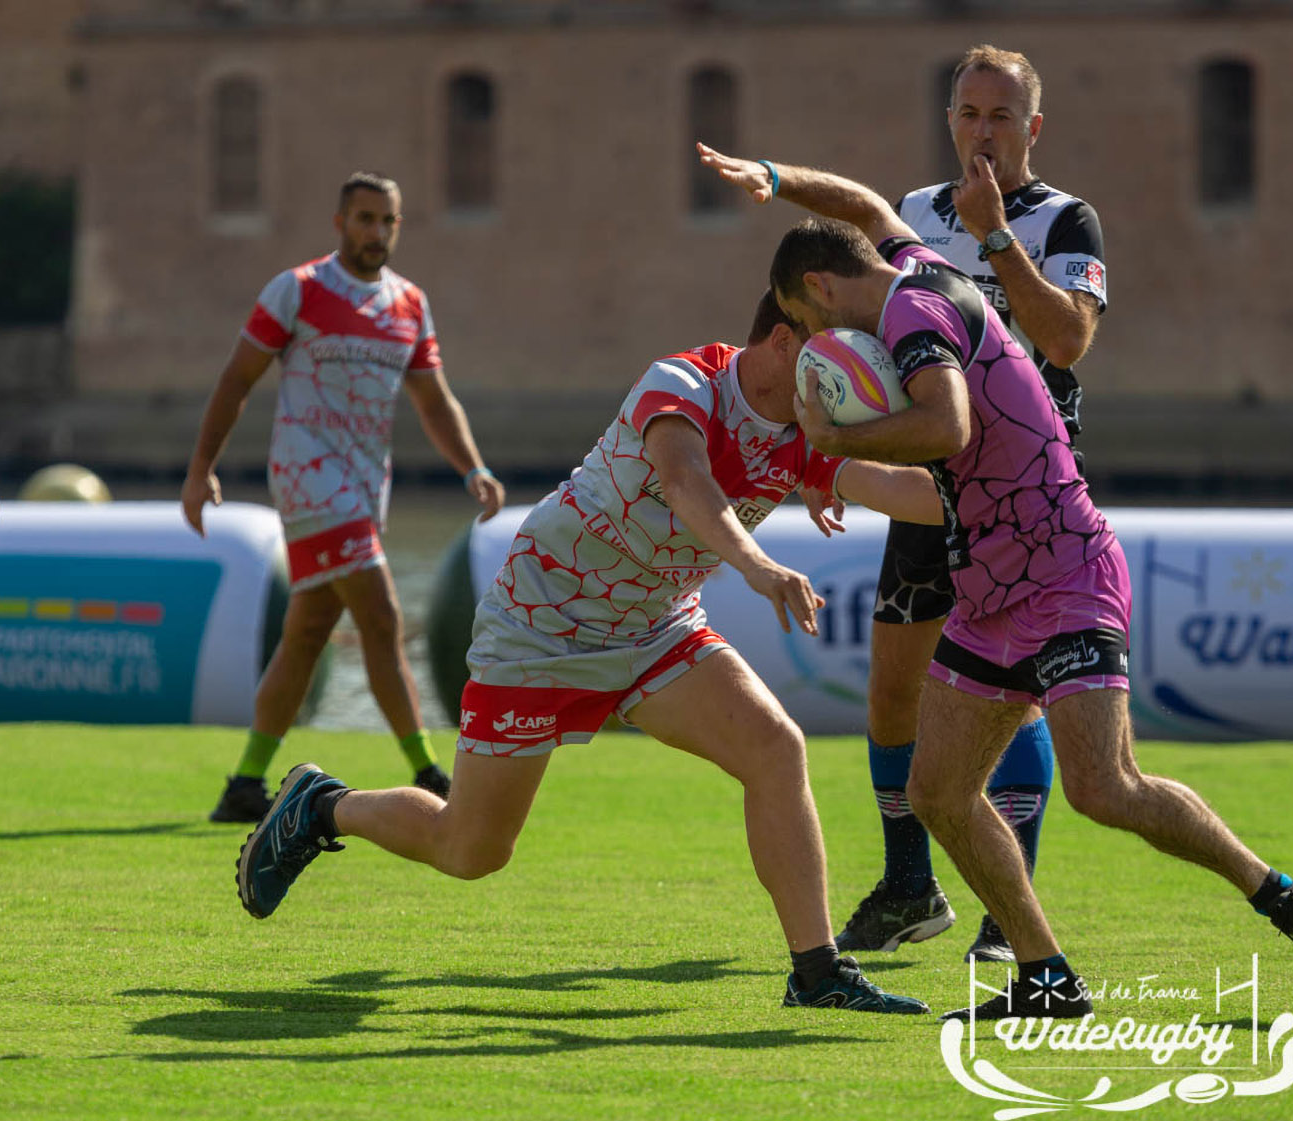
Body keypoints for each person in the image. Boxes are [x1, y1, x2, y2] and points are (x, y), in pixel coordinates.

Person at [696, 148, 1293, 1018]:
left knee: (1105, 786)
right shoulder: (910, 262)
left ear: (818, 290)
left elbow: (944, 423)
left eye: (800, 323)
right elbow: (858, 200)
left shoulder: (916, 315)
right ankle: (1045, 975)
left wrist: (835, 439)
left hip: (1065, 564)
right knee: (936, 790)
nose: (814, 346)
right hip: (993, 588)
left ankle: (1277, 892)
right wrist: (775, 181)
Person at [235, 291, 945, 1014]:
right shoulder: (686, 381)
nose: (846, 374)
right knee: (472, 849)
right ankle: (325, 807)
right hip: (543, 623)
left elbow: (889, 484)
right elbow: (684, 481)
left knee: (775, 747)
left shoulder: (809, 424)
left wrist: (1016, 494)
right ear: (786, 339)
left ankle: (817, 972)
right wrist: (759, 566)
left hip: (654, 628)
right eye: (832, 344)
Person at [809, 46, 1111, 964]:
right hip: (926, 478)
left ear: (1033, 127)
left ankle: (1002, 904)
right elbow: (871, 330)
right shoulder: (912, 214)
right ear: (951, 119)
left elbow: (1067, 341)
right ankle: (910, 885)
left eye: (1002, 117)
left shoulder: (1066, 220)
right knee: (893, 693)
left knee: (1011, 702)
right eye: (970, 113)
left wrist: (994, 239)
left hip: (1019, 492)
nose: (984, 131)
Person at [182, 172, 504, 824]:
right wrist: (200, 468)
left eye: (387, 221)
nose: (375, 232)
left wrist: (472, 468)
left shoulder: (409, 303)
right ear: (339, 222)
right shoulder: (297, 290)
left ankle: (245, 783)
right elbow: (236, 378)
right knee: (382, 617)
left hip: (363, 489)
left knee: (305, 634)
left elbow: (435, 400)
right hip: (308, 480)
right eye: (364, 218)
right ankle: (429, 770)